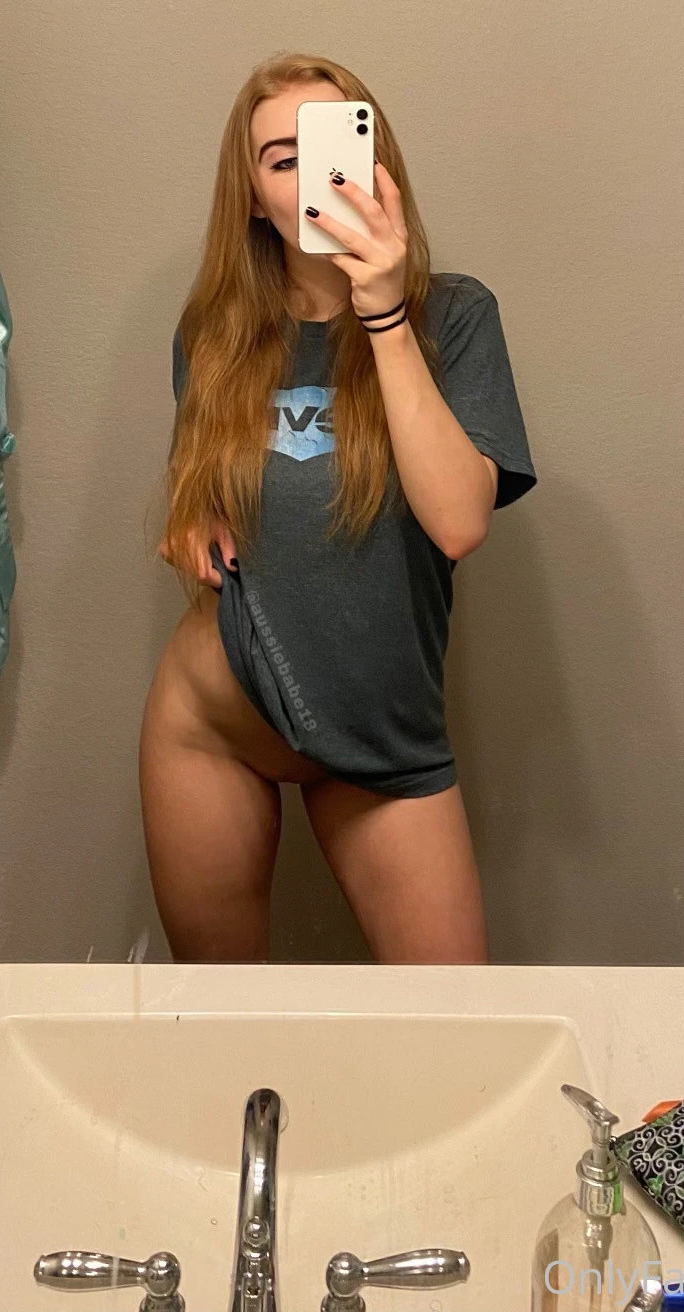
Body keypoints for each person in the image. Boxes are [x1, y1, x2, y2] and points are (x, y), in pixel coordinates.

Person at [140, 52, 536, 963]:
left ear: (375, 166)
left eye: (330, 149)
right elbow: (201, 497)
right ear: (252, 198)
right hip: (212, 727)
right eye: (282, 160)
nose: (312, 178)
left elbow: (458, 523)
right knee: (218, 1016)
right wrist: (190, 523)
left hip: (381, 736)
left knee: (454, 1023)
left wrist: (384, 315)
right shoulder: (213, 333)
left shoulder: (456, 318)